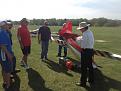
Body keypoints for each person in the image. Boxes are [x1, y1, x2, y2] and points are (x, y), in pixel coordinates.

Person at [76, 22, 94, 87]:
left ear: (84, 28)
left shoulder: (85, 34)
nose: (80, 30)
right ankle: (91, 79)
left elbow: (82, 45)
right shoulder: (90, 32)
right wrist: (80, 38)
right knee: (90, 66)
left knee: (83, 67)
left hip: (85, 51)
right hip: (90, 50)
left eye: (81, 29)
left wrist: (77, 40)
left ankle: (82, 83)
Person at [0, 21, 13, 90]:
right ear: (4, 26)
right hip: (5, 55)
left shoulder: (4, 32)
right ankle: (8, 84)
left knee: (4, 69)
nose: (9, 26)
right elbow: (2, 45)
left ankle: (5, 82)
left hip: (3, 55)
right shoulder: (2, 33)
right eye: (7, 25)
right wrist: (9, 54)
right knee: (7, 70)